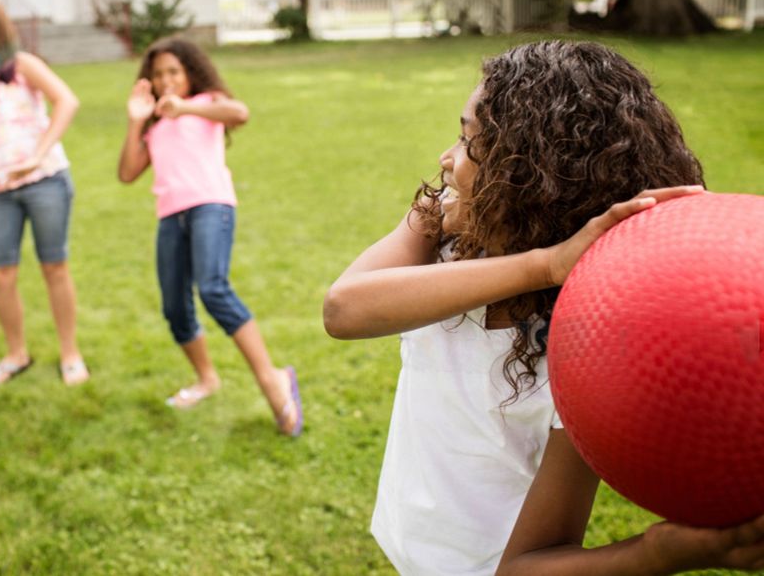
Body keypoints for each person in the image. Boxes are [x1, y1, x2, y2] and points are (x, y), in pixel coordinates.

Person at [324, 41, 764, 574]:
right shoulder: (444, 232)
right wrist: (543, 262)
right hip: (407, 542)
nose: (445, 158)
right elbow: (344, 311)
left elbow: (523, 567)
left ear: (529, 179)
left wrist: (659, 552)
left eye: (468, 143)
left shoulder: (588, 349)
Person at [118, 36, 302, 437]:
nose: (166, 81)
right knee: (174, 307)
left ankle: (273, 379)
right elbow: (128, 173)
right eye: (158, 74)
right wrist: (137, 119)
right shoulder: (155, 122)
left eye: (173, 72)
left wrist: (184, 106)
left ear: (189, 74)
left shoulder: (207, 103)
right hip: (171, 215)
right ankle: (206, 379)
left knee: (213, 289)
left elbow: (240, 112)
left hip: (210, 206)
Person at [0, 0, 89, 386]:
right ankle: (16, 353)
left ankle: (70, 354)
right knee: (1, 274)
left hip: (45, 181)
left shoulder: (20, 66)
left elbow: (67, 101)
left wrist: (38, 154)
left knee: (54, 266)